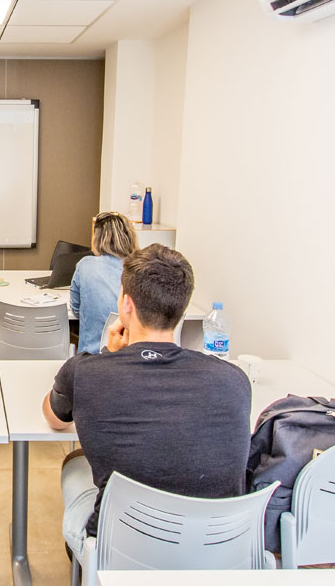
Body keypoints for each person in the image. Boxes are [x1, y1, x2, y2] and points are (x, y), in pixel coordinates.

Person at [42, 244, 251, 558]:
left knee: (74, 467)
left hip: (121, 546)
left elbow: (54, 419)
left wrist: (108, 357)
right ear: (181, 307)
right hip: (213, 548)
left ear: (126, 304)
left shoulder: (84, 373)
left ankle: (86, 571)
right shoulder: (234, 380)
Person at [70, 211, 138, 354]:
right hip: (133, 356)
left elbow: (75, 310)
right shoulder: (140, 269)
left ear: (97, 238)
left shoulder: (85, 265)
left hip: (91, 357)